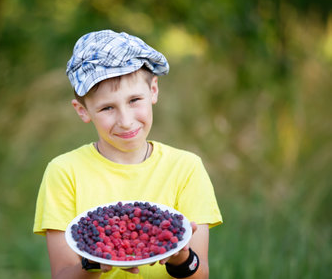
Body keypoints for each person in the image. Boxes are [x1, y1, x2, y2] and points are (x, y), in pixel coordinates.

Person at [33, 29, 222, 278]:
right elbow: (62, 274)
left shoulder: (186, 168)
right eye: (107, 107)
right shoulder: (64, 172)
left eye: (134, 100)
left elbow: (201, 274)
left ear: (153, 90)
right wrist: (92, 262)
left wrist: (181, 257)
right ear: (82, 110)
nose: (125, 121)